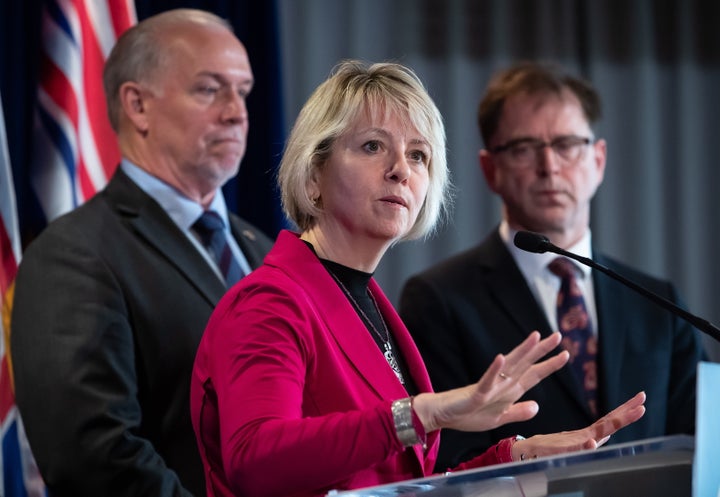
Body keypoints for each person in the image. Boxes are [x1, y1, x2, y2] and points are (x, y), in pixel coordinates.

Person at [190, 59, 647, 497]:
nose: (400, 170)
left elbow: (398, 484)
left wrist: (519, 455)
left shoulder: (367, 305)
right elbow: (256, 461)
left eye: (418, 155)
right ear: (314, 175)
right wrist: (421, 413)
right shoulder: (269, 301)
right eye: (373, 146)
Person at [10, 9, 274, 497]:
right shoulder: (73, 256)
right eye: (210, 89)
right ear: (137, 105)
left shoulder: (265, 249)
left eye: (243, 91)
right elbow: (94, 457)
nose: (237, 111)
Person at [399, 60, 705, 471]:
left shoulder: (659, 304)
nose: (549, 167)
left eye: (567, 145)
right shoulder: (439, 300)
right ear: (490, 169)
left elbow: (702, 443)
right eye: (524, 149)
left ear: (598, 160)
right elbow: (441, 459)